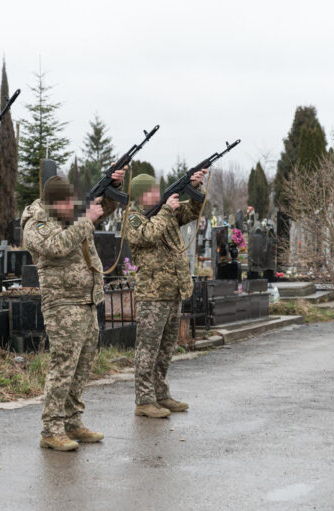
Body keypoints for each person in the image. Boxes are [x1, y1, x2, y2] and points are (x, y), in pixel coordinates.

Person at [21, 169, 126, 451]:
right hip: (63, 303)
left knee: (82, 367)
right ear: (54, 203)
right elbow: (56, 247)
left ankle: (72, 421)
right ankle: (51, 429)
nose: (72, 206)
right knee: (63, 368)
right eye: (67, 202)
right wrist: (85, 221)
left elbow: (100, 210)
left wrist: (114, 185)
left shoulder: (68, 216)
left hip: (87, 299)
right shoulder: (37, 223)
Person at [125, 170, 206, 419]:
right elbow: (149, 235)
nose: (157, 194)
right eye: (151, 191)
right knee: (147, 349)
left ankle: (161, 394)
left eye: (157, 190)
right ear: (141, 196)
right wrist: (166, 211)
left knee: (166, 348)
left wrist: (195, 187)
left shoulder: (166, 211)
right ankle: (144, 400)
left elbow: (193, 211)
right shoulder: (134, 217)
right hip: (153, 294)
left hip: (173, 291)